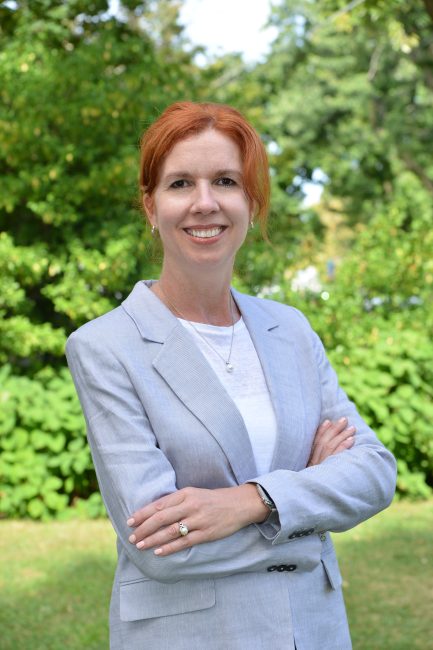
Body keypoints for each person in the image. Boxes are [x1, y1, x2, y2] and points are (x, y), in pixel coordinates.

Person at [65, 101, 396, 650]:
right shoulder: (105, 346)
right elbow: (160, 546)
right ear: (150, 206)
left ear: (251, 202)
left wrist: (253, 501)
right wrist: (310, 514)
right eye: (180, 183)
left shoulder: (290, 329)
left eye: (225, 181)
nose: (205, 202)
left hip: (313, 631)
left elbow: (374, 473)